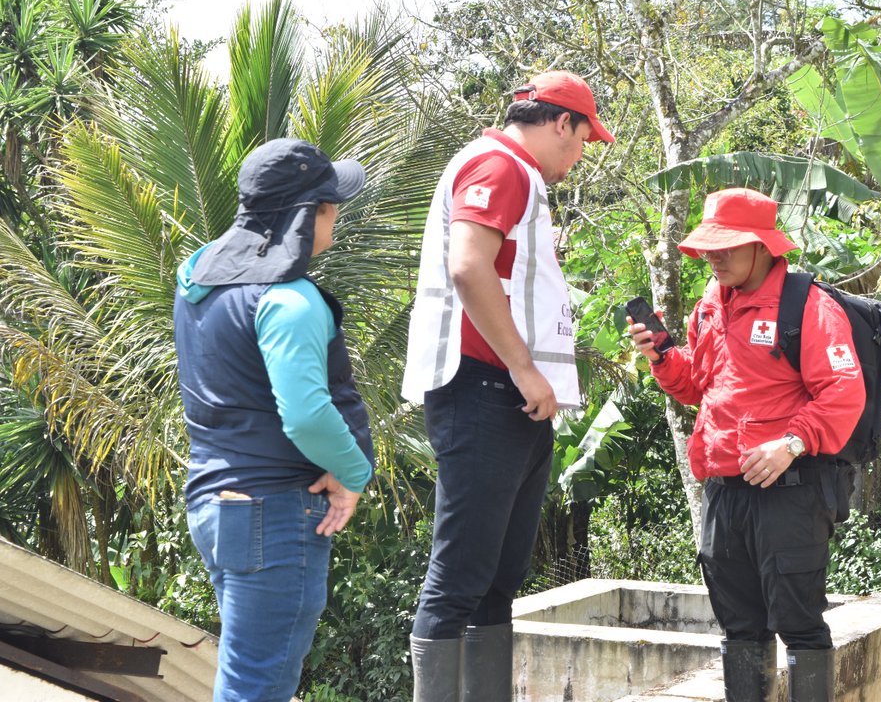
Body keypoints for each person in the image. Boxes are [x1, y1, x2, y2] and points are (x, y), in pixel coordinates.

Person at [401, 70, 614, 701]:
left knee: (496, 577)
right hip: (483, 388)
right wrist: (524, 368)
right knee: (461, 577)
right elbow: (468, 265)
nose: (577, 158)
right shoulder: (501, 167)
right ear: (560, 122)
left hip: (511, 398)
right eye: (580, 141)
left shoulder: (509, 171)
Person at [628, 188, 866, 702]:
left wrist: (791, 442)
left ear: (762, 245)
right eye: (709, 247)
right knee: (739, 627)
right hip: (724, 489)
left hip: (790, 488)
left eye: (728, 246)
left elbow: (843, 393)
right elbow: (697, 385)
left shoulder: (808, 306)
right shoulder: (712, 305)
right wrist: (663, 354)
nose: (714, 256)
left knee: (799, 622)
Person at [174, 138, 375, 702]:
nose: (337, 215)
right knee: (258, 688)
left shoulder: (198, 278)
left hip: (215, 505)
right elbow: (308, 416)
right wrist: (353, 474)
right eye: (331, 205)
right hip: (275, 515)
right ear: (308, 216)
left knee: (247, 679)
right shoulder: (289, 301)